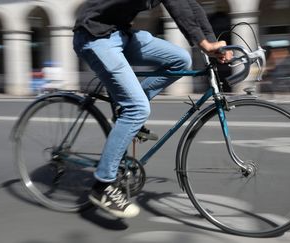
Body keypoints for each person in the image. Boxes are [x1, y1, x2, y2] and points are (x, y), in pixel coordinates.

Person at [73, 0, 232, 219]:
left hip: (121, 34)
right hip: (95, 36)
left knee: (181, 59)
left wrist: (213, 44)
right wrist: (202, 42)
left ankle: (126, 111)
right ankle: (102, 186)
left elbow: (191, 6)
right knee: (138, 109)